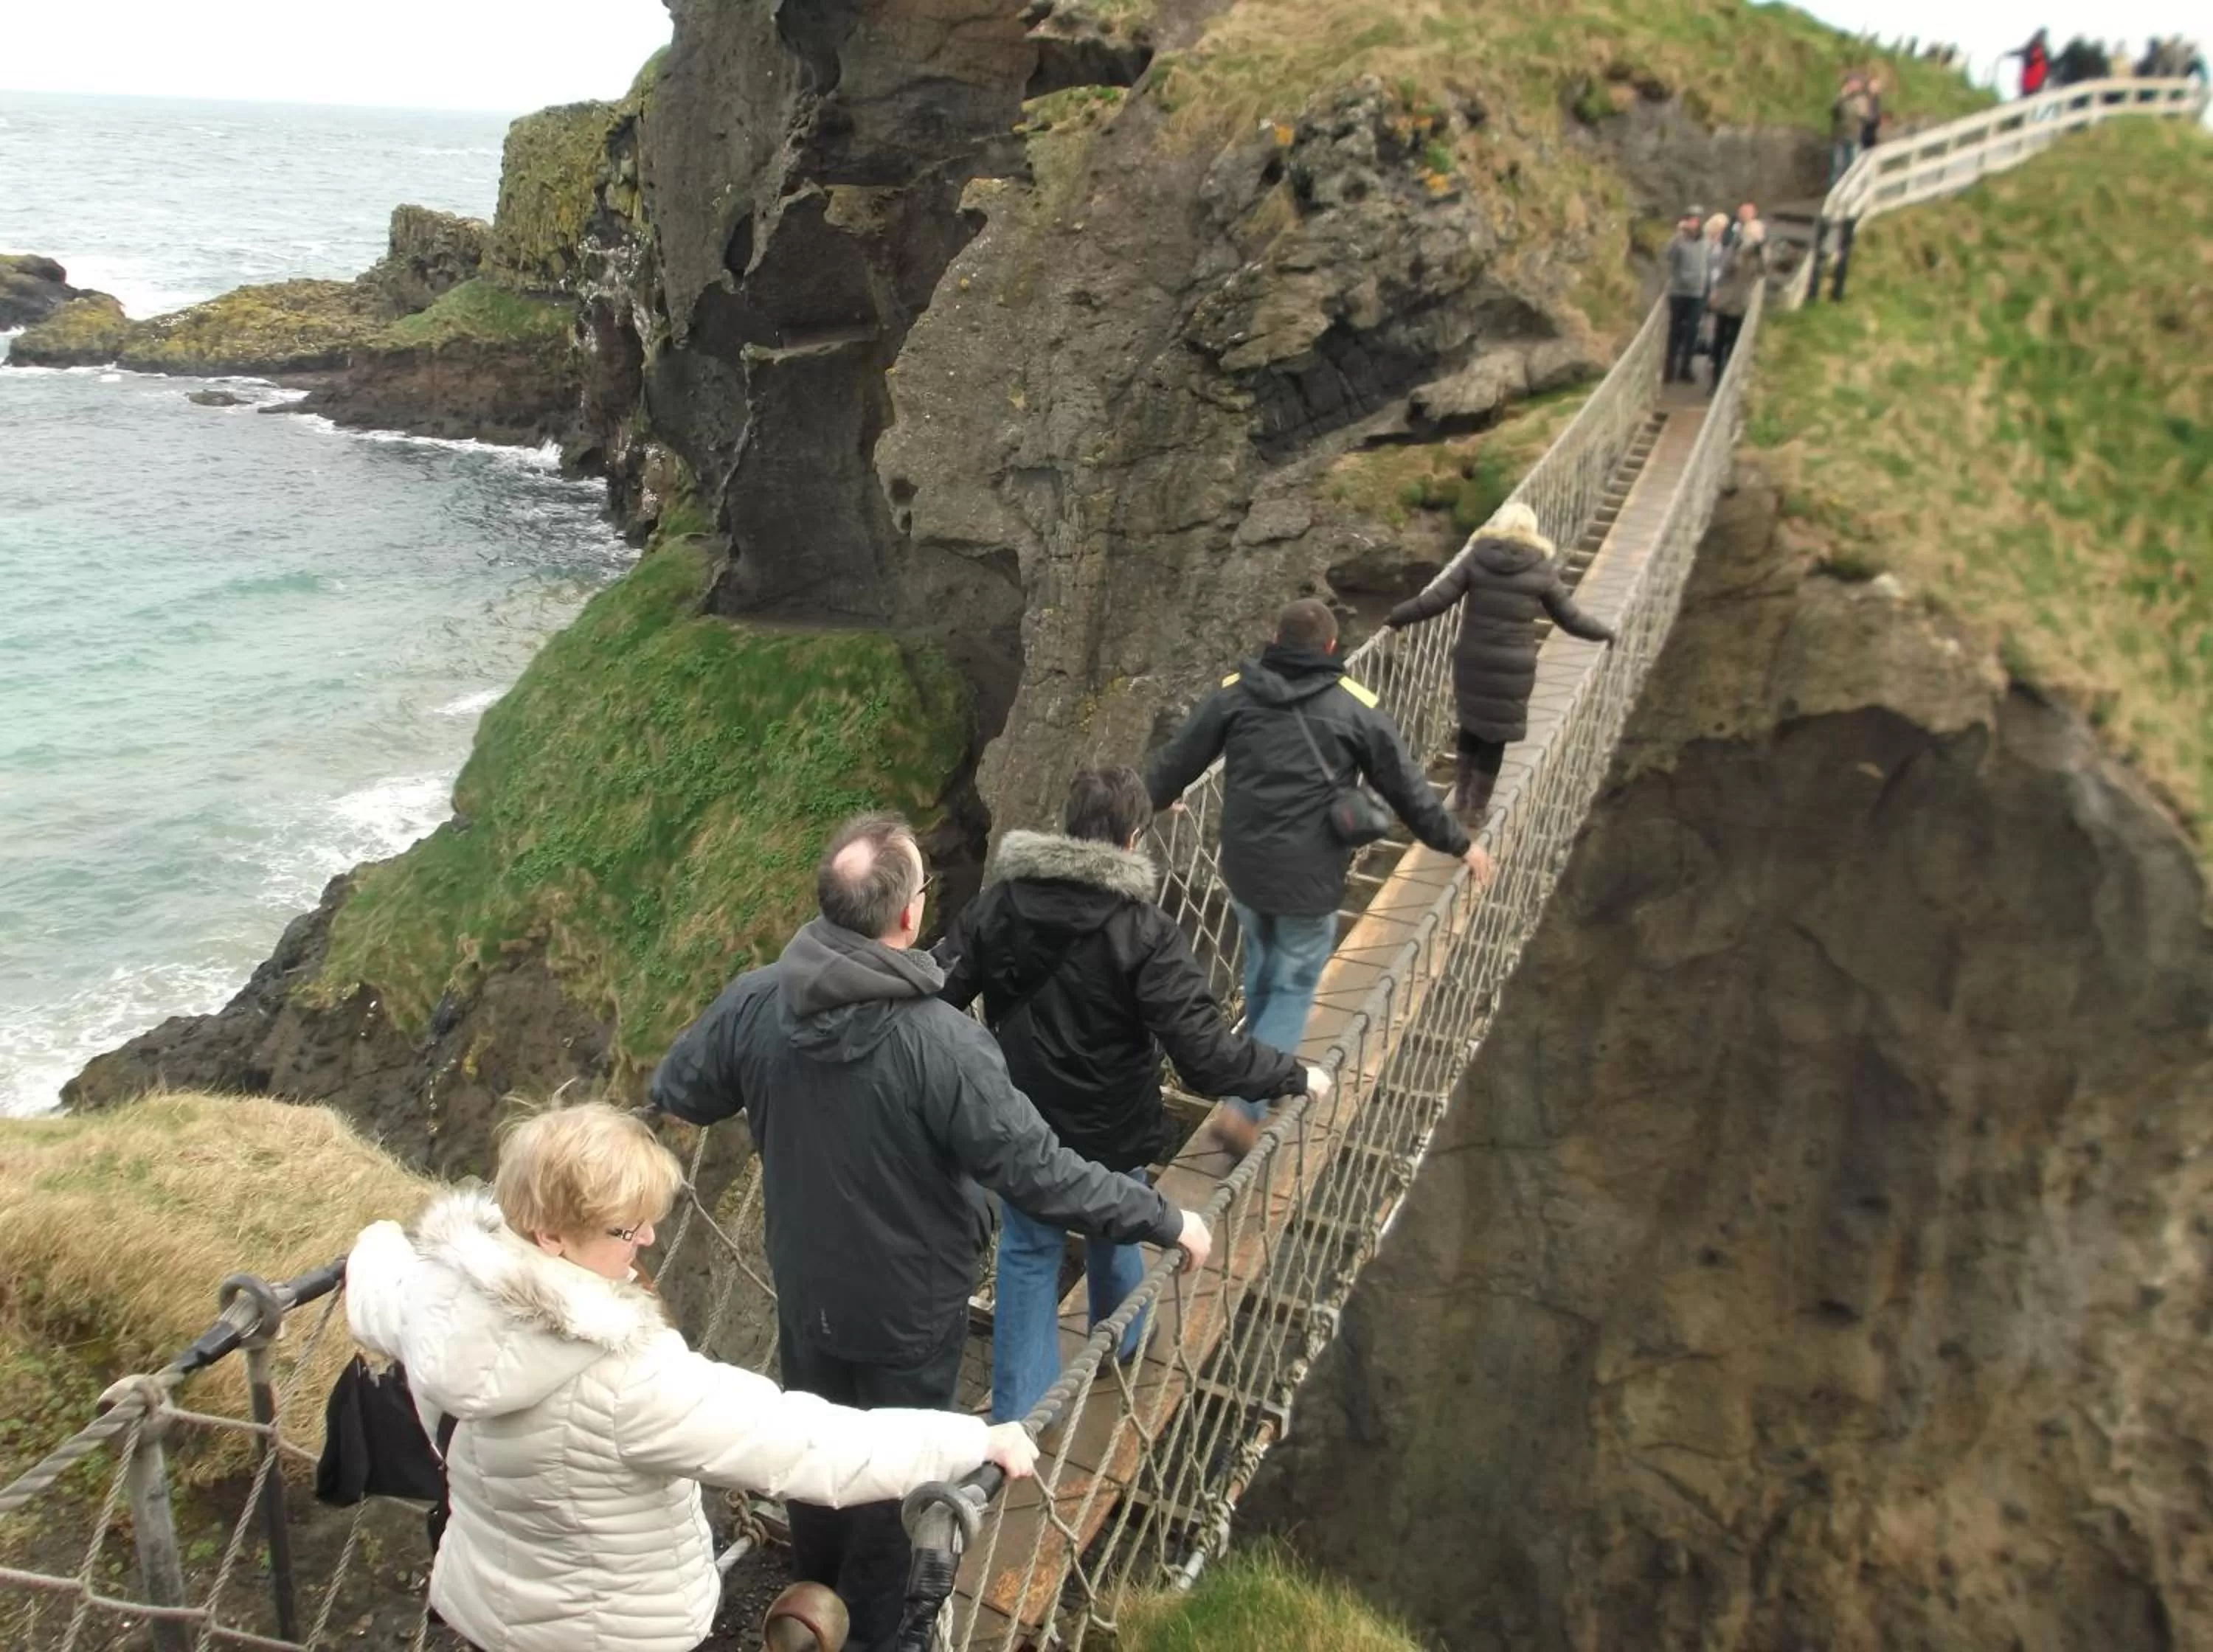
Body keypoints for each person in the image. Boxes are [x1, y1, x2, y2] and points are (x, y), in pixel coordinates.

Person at [648, 813, 1213, 1652]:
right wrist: (1162, 1216)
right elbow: (1042, 1173)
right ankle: (874, 1636)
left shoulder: (756, 1001)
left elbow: (682, 1089)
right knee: (897, 1476)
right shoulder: (944, 1044)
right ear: (910, 914)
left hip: (807, 1289)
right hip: (910, 1312)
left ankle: (813, 1607)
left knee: (813, 1447)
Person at [344, 1103, 1040, 1652]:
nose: (648, 1239)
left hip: (485, 1607)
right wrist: (968, 1442)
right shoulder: (627, 1381)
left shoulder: (433, 1297)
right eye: (625, 1230)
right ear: (550, 1237)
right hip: (615, 1633)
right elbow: (802, 1444)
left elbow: (376, 1277)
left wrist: (374, 1237)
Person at [937, 766, 1331, 1423]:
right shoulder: (1145, 932)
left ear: (1068, 829)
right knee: (1116, 1215)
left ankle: (1020, 1421)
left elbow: (939, 994)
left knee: (1029, 1249)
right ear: (1132, 841)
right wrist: (1290, 1075)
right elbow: (1205, 1056)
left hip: (1019, 1120)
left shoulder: (999, 906)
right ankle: (1123, 1340)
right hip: (1111, 1126)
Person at [1143, 599, 1492, 1156]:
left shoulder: (1237, 694)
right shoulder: (1354, 707)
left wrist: (1150, 805)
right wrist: (1460, 844)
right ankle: (1246, 1106)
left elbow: (1176, 761)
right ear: (1331, 648)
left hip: (1245, 869)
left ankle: (1254, 1070)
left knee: (1263, 970)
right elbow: (1407, 788)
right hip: (1309, 878)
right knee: (1292, 986)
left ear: (1275, 638)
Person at [1379, 503, 1615, 828]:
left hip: (1473, 662)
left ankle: (1460, 799)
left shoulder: (1477, 557)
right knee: (1495, 736)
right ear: (1531, 531)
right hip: (1513, 669)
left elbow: (1436, 600)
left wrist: (1397, 617)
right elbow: (1570, 618)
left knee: (1471, 724)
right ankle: (1476, 809)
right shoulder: (1540, 568)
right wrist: (1604, 633)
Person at [1708, 219, 1766, 381]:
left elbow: (1763, 271)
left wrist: (1759, 253)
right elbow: (1726, 267)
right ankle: (1715, 373)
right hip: (1726, 299)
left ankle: (1727, 375)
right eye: (1753, 234)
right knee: (1719, 337)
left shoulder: (1760, 253)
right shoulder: (1735, 248)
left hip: (1742, 302)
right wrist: (1740, 251)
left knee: (1734, 341)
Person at [1663, 211, 1709, 385]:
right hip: (1679, 291)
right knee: (1675, 330)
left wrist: (1709, 287)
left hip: (1697, 293)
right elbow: (1668, 256)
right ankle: (1669, 368)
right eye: (1691, 220)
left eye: (1696, 220)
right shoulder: (1679, 241)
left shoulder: (1705, 242)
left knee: (1692, 331)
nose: (1694, 224)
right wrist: (1677, 235)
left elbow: (1708, 264)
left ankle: (1686, 368)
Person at [1829, 74, 1870, 182]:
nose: (1854, 86)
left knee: (1855, 165)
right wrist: (1842, 97)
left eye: (1857, 84)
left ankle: (1855, 187)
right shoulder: (1841, 98)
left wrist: (1860, 108)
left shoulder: (1862, 99)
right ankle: (1837, 188)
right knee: (1839, 166)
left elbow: (1865, 116)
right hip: (1840, 137)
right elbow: (1833, 111)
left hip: (1854, 137)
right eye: (1852, 83)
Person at [2006, 29, 2051, 97]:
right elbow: (2019, 52)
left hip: (2036, 84)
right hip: (2029, 84)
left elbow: (2047, 68)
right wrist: (2008, 54)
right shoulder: (2030, 50)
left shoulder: (2043, 52)